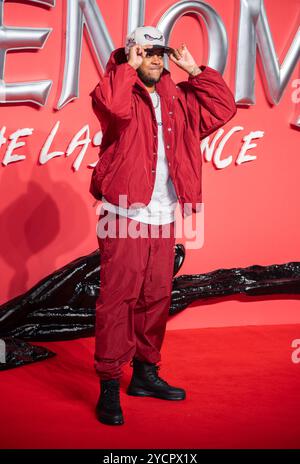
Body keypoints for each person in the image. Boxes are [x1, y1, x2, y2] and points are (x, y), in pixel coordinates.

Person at [89, 26, 237, 425]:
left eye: (162, 52)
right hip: (124, 214)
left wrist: (197, 71)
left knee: (156, 298)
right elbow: (113, 108)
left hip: (163, 215)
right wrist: (126, 65)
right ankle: (108, 383)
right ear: (133, 52)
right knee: (118, 300)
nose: (157, 58)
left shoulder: (179, 99)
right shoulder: (117, 89)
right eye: (148, 51)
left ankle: (144, 374)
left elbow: (224, 109)